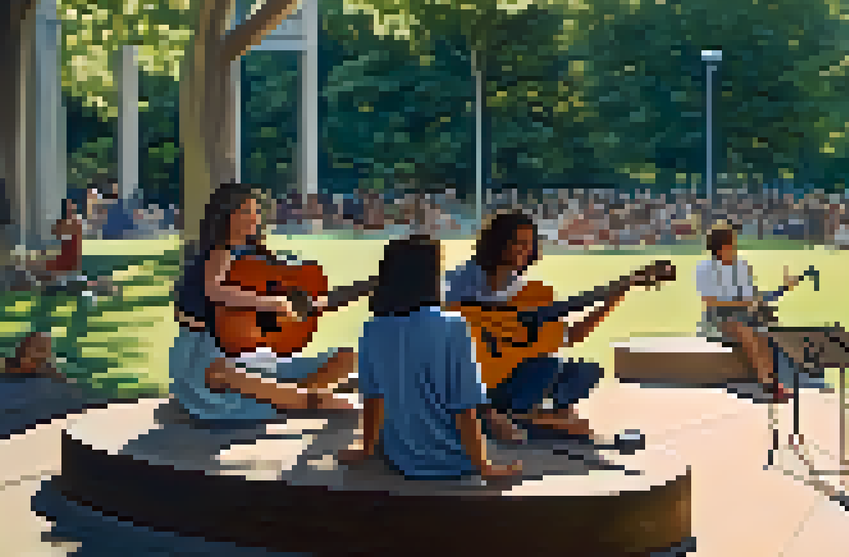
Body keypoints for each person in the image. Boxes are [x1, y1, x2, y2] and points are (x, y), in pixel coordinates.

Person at [169, 182, 358, 421]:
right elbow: (214, 290)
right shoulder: (220, 250)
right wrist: (270, 303)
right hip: (204, 356)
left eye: (256, 212)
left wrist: (301, 306)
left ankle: (297, 396)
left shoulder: (255, 253)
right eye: (245, 212)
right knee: (225, 375)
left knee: (346, 358)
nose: (253, 218)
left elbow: (277, 297)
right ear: (226, 216)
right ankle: (307, 399)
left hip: (252, 352)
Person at [341, 235, 519, 481]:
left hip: (399, 457)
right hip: (453, 461)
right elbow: (465, 407)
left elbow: (372, 398)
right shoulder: (453, 326)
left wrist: (365, 449)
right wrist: (485, 467)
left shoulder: (373, 328)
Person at [443, 211, 618, 439]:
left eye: (529, 244)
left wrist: (613, 298)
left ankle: (524, 416)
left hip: (511, 374)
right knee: (548, 366)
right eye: (517, 242)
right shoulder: (459, 279)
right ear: (498, 243)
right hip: (473, 379)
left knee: (585, 371)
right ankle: (526, 417)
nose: (524, 250)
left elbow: (569, 337)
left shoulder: (532, 293)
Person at [696, 223, 801, 402]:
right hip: (718, 317)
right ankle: (769, 384)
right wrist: (744, 303)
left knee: (762, 330)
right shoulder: (705, 269)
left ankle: (775, 382)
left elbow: (753, 296)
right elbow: (710, 301)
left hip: (744, 313)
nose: (736, 248)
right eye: (733, 244)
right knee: (744, 328)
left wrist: (783, 289)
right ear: (721, 249)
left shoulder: (742, 266)